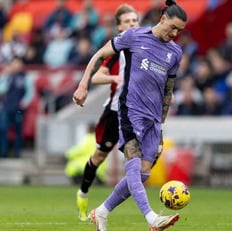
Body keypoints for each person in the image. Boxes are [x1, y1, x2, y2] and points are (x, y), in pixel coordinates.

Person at [72, 0, 187, 230]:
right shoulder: (135, 37)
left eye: (179, 31)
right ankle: (152, 219)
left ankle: (102, 212)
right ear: (162, 18)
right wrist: (83, 84)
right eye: (172, 27)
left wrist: (160, 121)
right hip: (129, 112)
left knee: (143, 174)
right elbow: (99, 55)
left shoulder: (175, 52)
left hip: (153, 120)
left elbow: (168, 89)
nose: (174, 34)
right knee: (132, 166)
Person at [75, 3, 139, 222]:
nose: (132, 24)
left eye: (135, 20)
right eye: (128, 21)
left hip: (136, 113)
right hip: (113, 113)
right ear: (119, 27)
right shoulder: (117, 49)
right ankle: (83, 193)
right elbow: (96, 77)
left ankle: (144, 213)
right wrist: (113, 78)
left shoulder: (147, 46)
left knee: (137, 161)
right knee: (99, 156)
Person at [0, 57, 34, 158]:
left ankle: (17, 152)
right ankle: (3, 152)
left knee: (18, 131)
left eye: (18, 63)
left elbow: (30, 92)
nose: (16, 65)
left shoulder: (25, 77)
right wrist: (4, 75)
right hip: (7, 108)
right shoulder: (8, 76)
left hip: (19, 109)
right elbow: (1, 89)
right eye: (14, 63)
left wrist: (24, 102)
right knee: (3, 129)